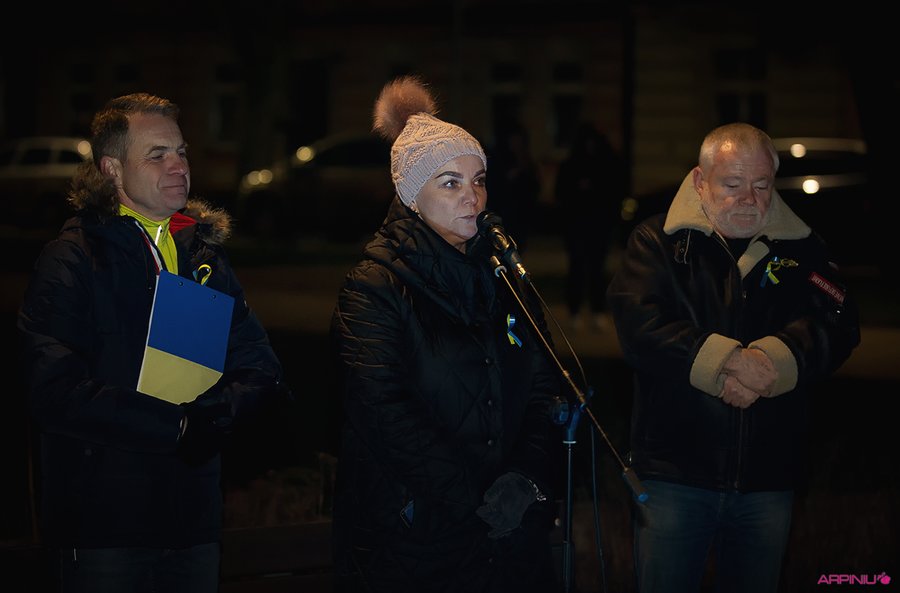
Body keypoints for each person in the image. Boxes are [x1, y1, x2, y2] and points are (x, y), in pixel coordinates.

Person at [17, 92, 286, 593]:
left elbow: (261, 367)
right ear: (112, 170)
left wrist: (212, 417)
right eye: (157, 155)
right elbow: (54, 390)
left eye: (181, 152)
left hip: (193, 523)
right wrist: (176, 426)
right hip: (104, 529)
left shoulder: (203, 258)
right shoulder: (72, 259)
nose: (178, 166)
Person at [330, 75, 563, 593]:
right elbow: (384, 411)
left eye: (478, 180)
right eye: (450, 183)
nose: (472, 197)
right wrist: (476, 496)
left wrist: (525, 478)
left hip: (509, 530)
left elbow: (545, 384)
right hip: (416, 537)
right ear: (412, 194)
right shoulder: (375, 287)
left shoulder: (501, 274)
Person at [606, 122, 860, 593]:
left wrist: (771, 361)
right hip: (674, 476)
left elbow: (837, 322)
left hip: (768, 478)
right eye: (732, 184)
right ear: (700, 181)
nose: (748, 198)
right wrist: (727, 361)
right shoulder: (659, 242)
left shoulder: (803, 248)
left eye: (761, 186)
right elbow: (639, 325)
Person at [555, 122, 626, 332]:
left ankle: (597, 311)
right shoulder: (572, 165)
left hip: (598, 225)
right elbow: (562, 193)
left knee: (597, 270)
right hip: (578, 224)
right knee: (577, 268)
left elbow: (615, 191)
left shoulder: (607, 163)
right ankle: (575, 311)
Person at [486, 120, 541, 254]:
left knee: (519, 247)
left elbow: (534, 186)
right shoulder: (499, 159)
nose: (517, 143)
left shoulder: (525, 158)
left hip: (521, 213)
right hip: (504, 212)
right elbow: (495, 186)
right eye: (514, 139)